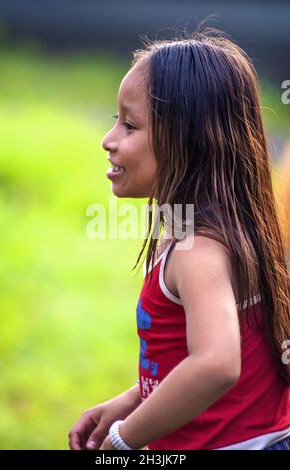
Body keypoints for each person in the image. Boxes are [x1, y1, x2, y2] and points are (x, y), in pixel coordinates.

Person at [69, 28, 290, 451]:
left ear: (189, 140)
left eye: (130, 125)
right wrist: (133, 401)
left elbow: (216, 364)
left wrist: (123, 439)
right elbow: (210, 359)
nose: (108, 140)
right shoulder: (226, 230)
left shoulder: (198, 251)